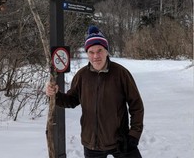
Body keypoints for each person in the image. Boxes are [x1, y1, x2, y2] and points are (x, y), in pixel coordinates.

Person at [45, 26, 144, 158]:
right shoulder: (82, 76)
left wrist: (134, 135)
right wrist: (55, 95)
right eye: (91, 52)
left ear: (106, 51)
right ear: (87, 53)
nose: (96, 56)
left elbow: (136, 105)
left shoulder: (121, 73)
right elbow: (72, 100)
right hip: (92, 144)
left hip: (121, 141)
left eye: (99, 51)